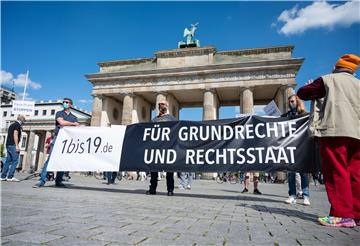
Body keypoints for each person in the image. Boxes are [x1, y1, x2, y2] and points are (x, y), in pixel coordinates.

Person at [297, 54, 360, 227]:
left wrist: (310, 84)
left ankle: (342, 214)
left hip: (335, 129)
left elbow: (302, 93)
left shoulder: (328, 80)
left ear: (337, 66)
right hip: (357, 134)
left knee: (336, 171)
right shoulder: (358, 83)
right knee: (356, 173)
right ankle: (357, 214)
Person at [33, 98, 80, 188]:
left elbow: (73, 127)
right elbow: (61, 122)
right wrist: (73, 124)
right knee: (50, 160)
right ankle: (42, 181)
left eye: (66, 102)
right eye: (63, 102)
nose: (64, 103)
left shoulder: (74, 117)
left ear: (71, 105)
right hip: (57, 138)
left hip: (67, 141)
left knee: (63, 161)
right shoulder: (59, 113)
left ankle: (58, 181)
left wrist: (66, 124)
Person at [281, 94, 310, 206]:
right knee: (291, 173)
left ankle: (305, 195)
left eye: (292, 101)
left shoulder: (305, 115)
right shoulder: (286, 115)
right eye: (289, 102)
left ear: (298, 102)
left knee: (303, 172)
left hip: (302, 146)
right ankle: (292, 195)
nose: (290, 104)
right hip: (290, 147)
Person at [146, 99, 177, 196]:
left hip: (168, 148)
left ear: (167, 106)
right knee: (154, 170)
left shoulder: (173, 119)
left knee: (169, 171)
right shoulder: (154, 120)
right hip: (156, 148)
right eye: (160, 105)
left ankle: (170, 190)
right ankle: (152, 189)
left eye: (163, 104)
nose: (161, 106)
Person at [1, 115, 26, 182]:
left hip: (8, 144)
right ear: (22, 120)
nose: (24, 123)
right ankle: (10, 176)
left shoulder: (12, 125)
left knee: (8, 161)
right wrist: (17, 145)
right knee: (15, 161)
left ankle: (3, 176)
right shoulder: (17, 125)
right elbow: (15, 134)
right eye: (24, 121)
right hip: (13, 145)